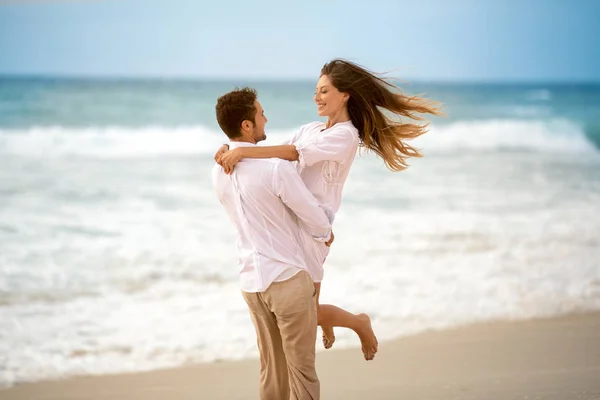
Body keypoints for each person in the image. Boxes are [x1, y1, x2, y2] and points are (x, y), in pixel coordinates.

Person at [215, 59, 442, 361]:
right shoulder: (311, 129)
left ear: (344, 94)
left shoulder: (345, 136)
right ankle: (337, 324)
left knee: (305, 311)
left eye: (324, 91)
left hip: (314, 229)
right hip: (291, 225)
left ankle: (358, 323)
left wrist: (242, 151)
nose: (316, 97)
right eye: (315, 91)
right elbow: (273, 158)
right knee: (305, 310)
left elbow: (292, 153)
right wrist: (229, 150)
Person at [212, 87, 336, 400]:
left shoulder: (218, 170)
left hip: (251, 283)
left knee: (271, 371)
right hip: (287, 280)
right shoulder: (275, 168)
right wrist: (325, 235)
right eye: (261, 113)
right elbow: (315, 218)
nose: (266, 118)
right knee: (302, 374)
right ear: (246, 125)